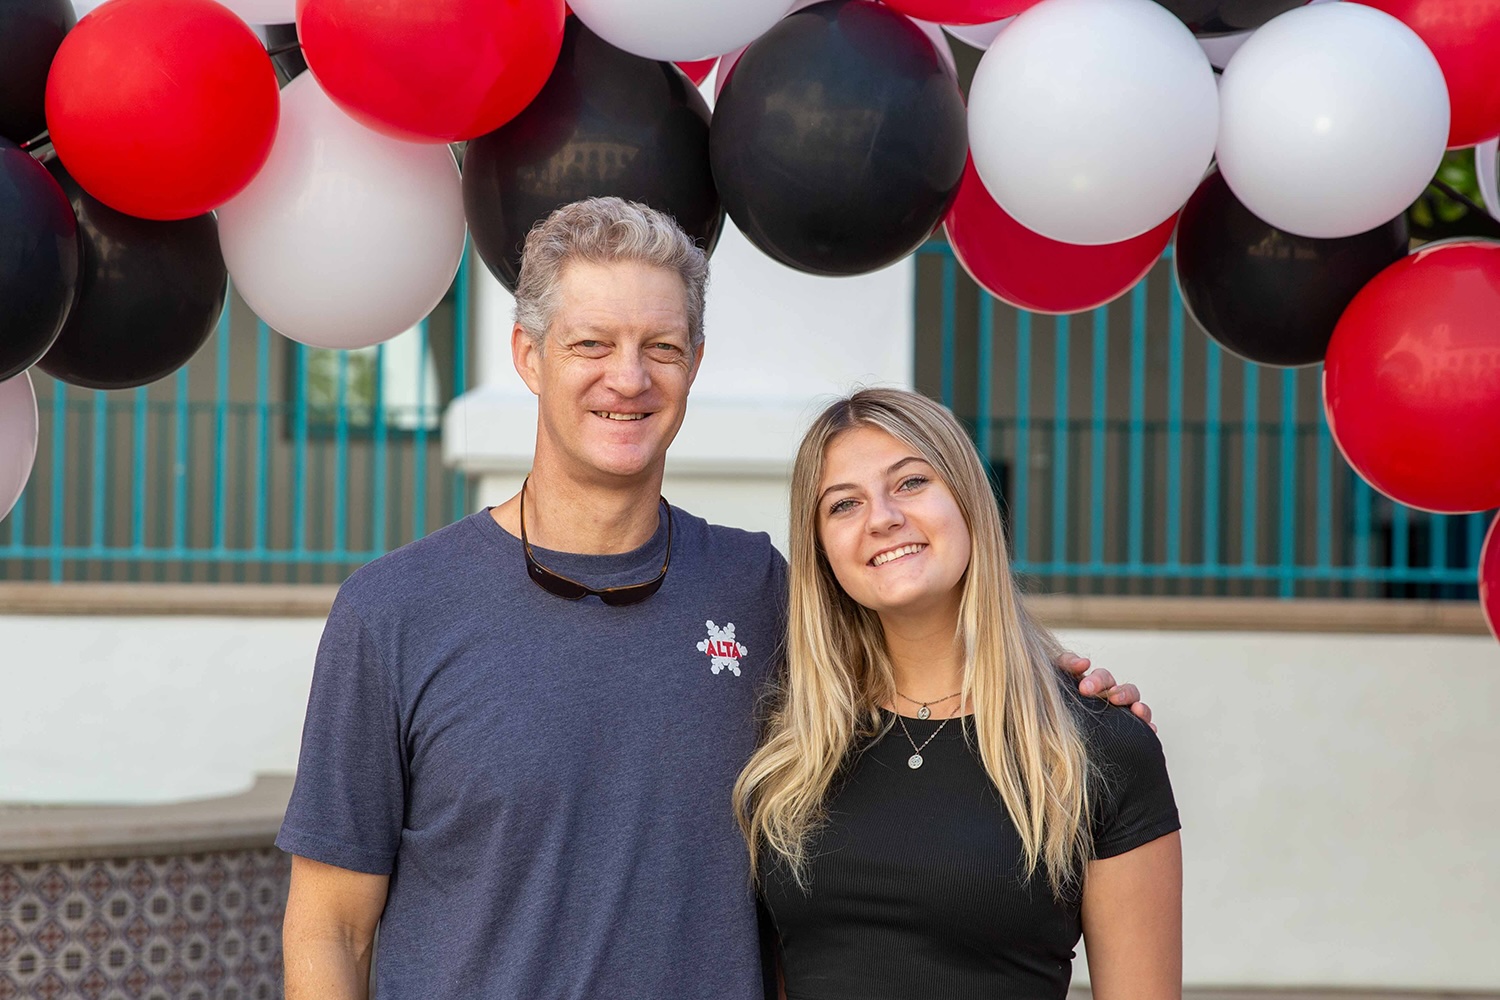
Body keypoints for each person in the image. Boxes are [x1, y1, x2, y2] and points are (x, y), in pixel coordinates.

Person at [277, 198, 1153, 999]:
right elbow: (330, 930)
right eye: (591, 344)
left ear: (694, 362)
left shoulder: (760, 588)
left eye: (660, 346)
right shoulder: (394, 611)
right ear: (528, 357)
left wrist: (1063, 687)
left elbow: (915, 670)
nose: (629, 378)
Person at [736, 387, 1182, 1000]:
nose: (882, 517)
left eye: (912, 482)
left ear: (968, 500)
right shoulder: (788, 746)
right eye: (844, 504)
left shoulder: (1098, 744)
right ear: (822, 551)